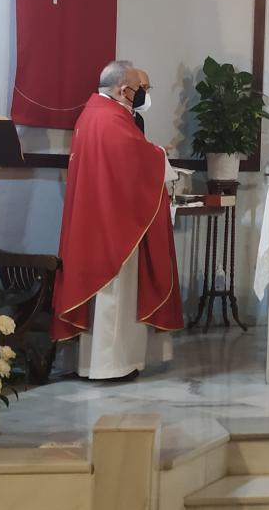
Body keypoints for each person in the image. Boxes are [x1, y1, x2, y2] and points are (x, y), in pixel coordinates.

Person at [51, 60, 182, 380]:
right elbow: (133, 158)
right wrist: (159, 155)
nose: (144, 95)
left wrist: (150, 153)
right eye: (141, 89)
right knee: (116, 294)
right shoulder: (110, 118)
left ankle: (95, 363)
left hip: (97, 217)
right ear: (124, 90)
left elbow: (124, 157)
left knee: (105, 297)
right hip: (113, 223)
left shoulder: (93, 113)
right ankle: (112, 365)